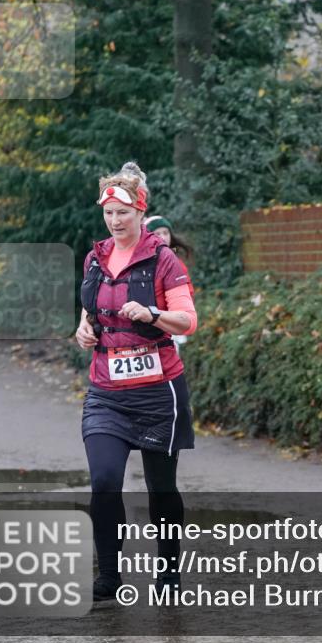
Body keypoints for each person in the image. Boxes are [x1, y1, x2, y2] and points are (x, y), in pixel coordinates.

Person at [74, 162, 198, 601]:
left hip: (157, 392)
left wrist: (152, 315)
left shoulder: (164, 260)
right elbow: (88, 312)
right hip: (106, 391)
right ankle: (109, 575)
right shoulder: (95, 257)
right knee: (104, 481)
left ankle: (168, 575)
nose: (115, 221)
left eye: (123, 213)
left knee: (161, 487)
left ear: (140, 212)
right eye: (108, 213)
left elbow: (187, 321)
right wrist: (83, 330)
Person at [144, 215, 194, 348]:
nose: (163, 237)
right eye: (157, 233)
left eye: (166, 233)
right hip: (146, 324)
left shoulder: (176, 263)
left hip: (170, 321)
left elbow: (187, 290)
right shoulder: (141, 264)